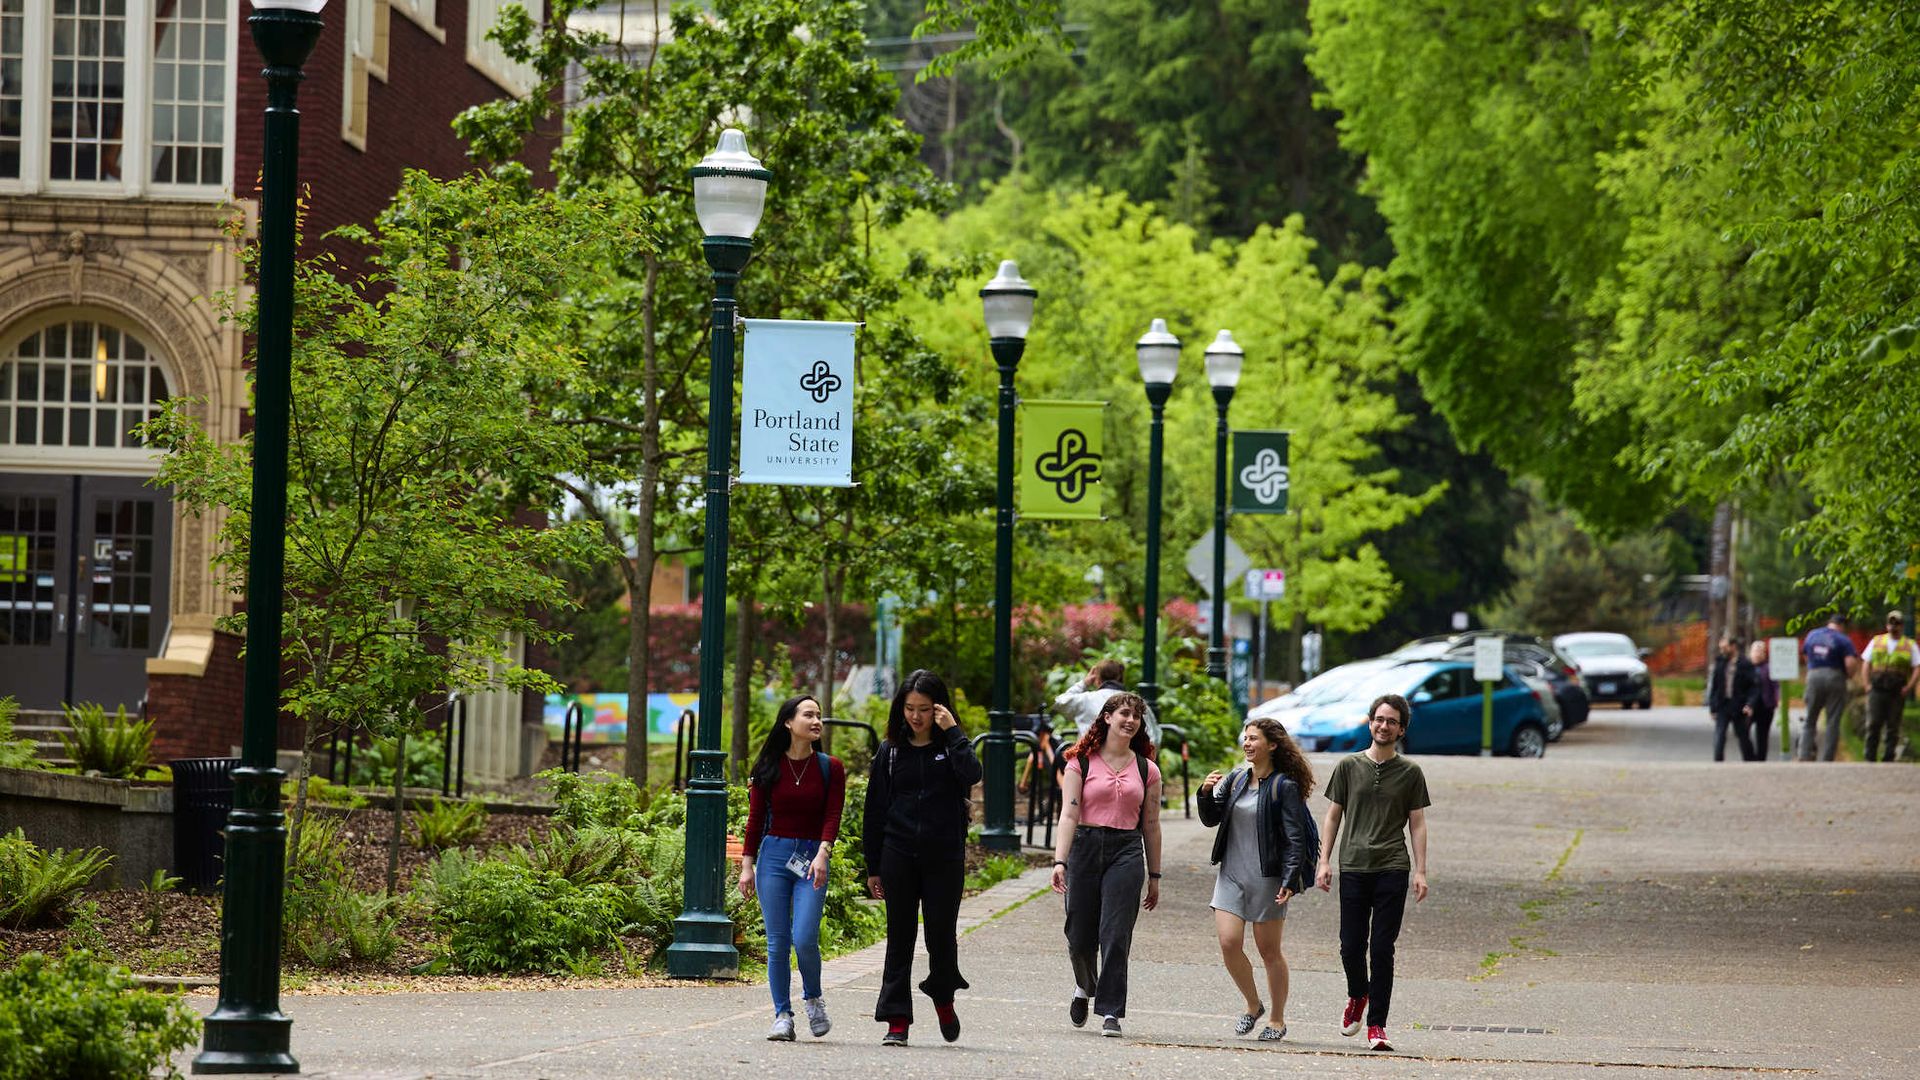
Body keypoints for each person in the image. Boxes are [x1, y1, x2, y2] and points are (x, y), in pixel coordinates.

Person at [863, 670, 980, 1047]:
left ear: (939, 709)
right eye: (910, 709)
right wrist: (873, 866)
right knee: (900, 938)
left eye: (925, 709)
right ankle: (897, 1019)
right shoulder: (890, 751)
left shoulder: (950, 748)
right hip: (898, 854)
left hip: (944, 856)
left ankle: (943, 996)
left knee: (941, 937)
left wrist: (954, 732)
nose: (916, 717)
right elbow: (875, 809)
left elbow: (972, 773)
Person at [1316, 694, 1429, 1054]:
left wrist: (1421, 871)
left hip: (1392, 867)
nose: (1384, 726)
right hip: (1353, 866)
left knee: (1382, 948)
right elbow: (1333, 815)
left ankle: (1377, 1024)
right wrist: (1324, 861)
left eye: (1392, 721)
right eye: (1379, 719)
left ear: (1401, 729)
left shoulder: (1410, 773)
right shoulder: (1349, 766)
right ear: (1370, 723)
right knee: (1350, 945)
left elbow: (1418, 823)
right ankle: (1357, 994)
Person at [1050, 691, 1163, 1038]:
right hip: (1084, 846)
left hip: (1126, 851)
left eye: (1136, 717)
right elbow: (1068, 814)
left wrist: (1155, 875)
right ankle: (1084, 986)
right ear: (1107, 718)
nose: (1130, 721)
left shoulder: (1147, 769)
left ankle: (1111, 1011)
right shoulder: (1079, 762)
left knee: (1115, 934)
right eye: (1124, 714)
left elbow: (1151, 825)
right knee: (1079, 936)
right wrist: (1059, 860)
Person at [738, 695, 847, 1041]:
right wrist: (747, 866)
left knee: (804, 938)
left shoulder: (831, 767)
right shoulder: (768, 767)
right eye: (808, 715)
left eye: (819, 715)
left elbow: (833, 815)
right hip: (773, 856)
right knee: (777, 942)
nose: (817, 721)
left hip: (813, 857)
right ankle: (782, 1015)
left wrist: (823, 853)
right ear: (788, 722)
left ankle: (813, 999)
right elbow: (755, 822)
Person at [1198, 718, 1314, 1042]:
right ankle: (1253, 1005)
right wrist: (1205, 793)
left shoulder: (1283, 787)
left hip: (1267, 878)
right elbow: (1211, 819)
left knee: (1269, 952)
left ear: (1272, 745)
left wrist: (1289, 880)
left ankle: (1277, 1019)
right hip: (1232, 875)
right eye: (1245, 738)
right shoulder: (1235, 779)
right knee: (1228, 943)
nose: (1247, 744)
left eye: (1254, 739)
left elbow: (1295, 837)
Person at [1054, 658, 1162, 748]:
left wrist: (1084, 683)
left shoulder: (1086, 699)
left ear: (1097, 679)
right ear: (1120, 677)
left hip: (1089, 762)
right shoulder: (1136, 702)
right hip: (1127, 763)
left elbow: (1060, 702)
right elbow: (1153, 737)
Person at [1799, 612, 1860, 761]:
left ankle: (1804, 754)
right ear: (1842, 626)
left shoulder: (1813, 635)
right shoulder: (1843, 639)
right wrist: (1850, 675)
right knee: (1833, 720)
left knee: (1810, 718)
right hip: (1835, 677)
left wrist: (1813, 667)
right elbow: (1850, 662)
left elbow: (1805, 654)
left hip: (1814, 675)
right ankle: (1827, 758)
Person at [1860, 611, 1918, 762]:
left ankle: (1888, 758)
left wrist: (1909, 687)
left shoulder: (1909, 645)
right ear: (1887, 625)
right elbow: (1866, 663)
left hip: (1897, 691)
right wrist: (1866, 685)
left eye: (1897, 623)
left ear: (1902, 626)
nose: (1894, 626)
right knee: (1873, 723)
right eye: (1891, 623)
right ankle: (1869, 757)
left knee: (1893, 726)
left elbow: (1917, 667)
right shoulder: (1877, 641)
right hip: (1877, 689)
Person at [1707, 635, 1759, 762]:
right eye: (1721, 648)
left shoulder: (1745, 664)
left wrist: (1750, 704)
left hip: (1739, 705)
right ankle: (1718, 761)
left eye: (1725, 648)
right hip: (1723, 705)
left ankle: (1750, 761)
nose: (1722, 650)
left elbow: (1754, 687)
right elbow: (1715, 686)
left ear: (1733, 647)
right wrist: (1712, 707)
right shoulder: (1720, 662)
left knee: (1743, 736)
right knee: (1719, 735)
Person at [1748, 640, 1779, 761]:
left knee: (1762, 735)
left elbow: (1776, 686)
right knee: (1743, 731)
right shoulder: (1746, 667)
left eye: (1760, 651)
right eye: (1755, 651)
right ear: (1750, 653)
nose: (1757, 654)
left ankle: (1760, 759)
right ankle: (1750, 756)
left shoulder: (1769, 668)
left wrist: (1777, 700)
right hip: (1749, 706)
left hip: (1765, 706)